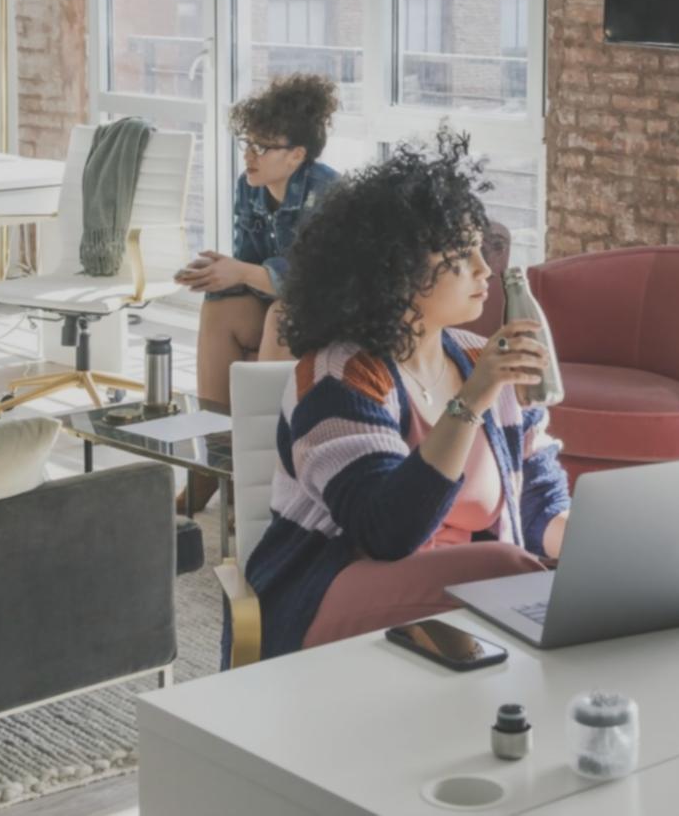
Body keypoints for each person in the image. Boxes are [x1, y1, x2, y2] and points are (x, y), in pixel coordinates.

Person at [243, 129, 570, 659]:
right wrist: (473, 400)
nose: (487, 270)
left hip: (460, 602)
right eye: (462, 257)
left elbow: (538, 505)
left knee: (526, 579)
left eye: (481, 251)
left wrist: (597, 552)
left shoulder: (478, 358)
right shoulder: (338, 376)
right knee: (507, 572)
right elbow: (387, 531)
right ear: (396, 269)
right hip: (329, 591)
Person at [176, 74, 340, 511]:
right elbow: (249, 263)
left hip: (330, 309)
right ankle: (213, 464)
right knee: (221, 308)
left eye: (261, 147)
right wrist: (218, 273)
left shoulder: (327, 191)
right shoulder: (248, 189)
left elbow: (311, 278)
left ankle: (264, 482)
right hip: (278, 301)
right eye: (247, 143)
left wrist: (243, 271)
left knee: (282, 315)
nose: (249, 155)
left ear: (296, 155)